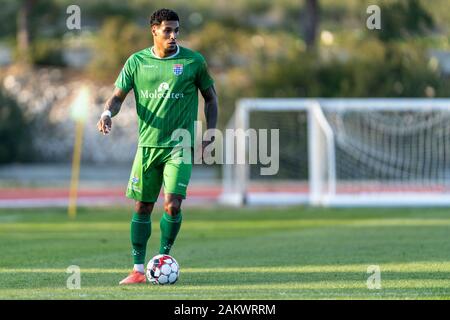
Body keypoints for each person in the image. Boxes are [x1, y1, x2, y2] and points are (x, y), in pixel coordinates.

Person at [97, 8, 218, 284]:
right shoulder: (137, 62)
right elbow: (117, 97)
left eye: (177, 30)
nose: (173, 35)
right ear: (154, 30)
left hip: (180, 146)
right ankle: (138, 270)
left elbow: (211, 98)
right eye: (167, 30)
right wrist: (106, 113)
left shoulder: (193, 61)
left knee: (172, 205)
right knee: (142, 207)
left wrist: (210, 133)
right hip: (148, 147)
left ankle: (163, 258)